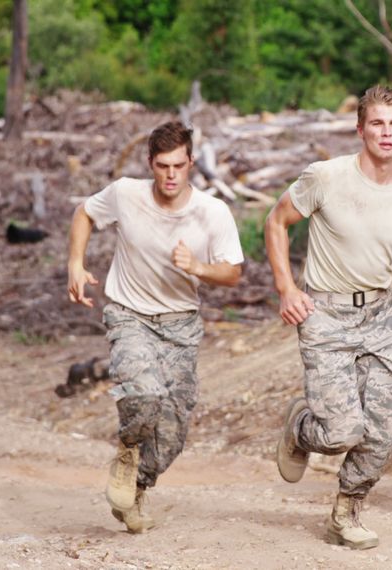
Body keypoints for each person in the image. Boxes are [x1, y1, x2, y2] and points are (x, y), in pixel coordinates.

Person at [266, 85, 392, 550]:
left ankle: (347, 509)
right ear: (360, 128)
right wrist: (287, 288)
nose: (387, 133)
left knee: (383, 436)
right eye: (378, 123)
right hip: (325, 312)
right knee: (342, 431)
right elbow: (277, 222)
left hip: (382, 315)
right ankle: (301, 429)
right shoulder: (326, 177)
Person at [67, 121, 243, 533]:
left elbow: (233, 273)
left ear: (191, 164)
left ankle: (138, 487)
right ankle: (127, 451)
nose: (170, 175)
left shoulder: (212, 212)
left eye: (178, 166)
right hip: (130, 315)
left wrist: (198, 267)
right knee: (143, 394)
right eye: (162, 165)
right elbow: (84, 214)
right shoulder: (126, 194)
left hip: (181, 324)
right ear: (150, 163)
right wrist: (76, 263)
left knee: (171, 435)